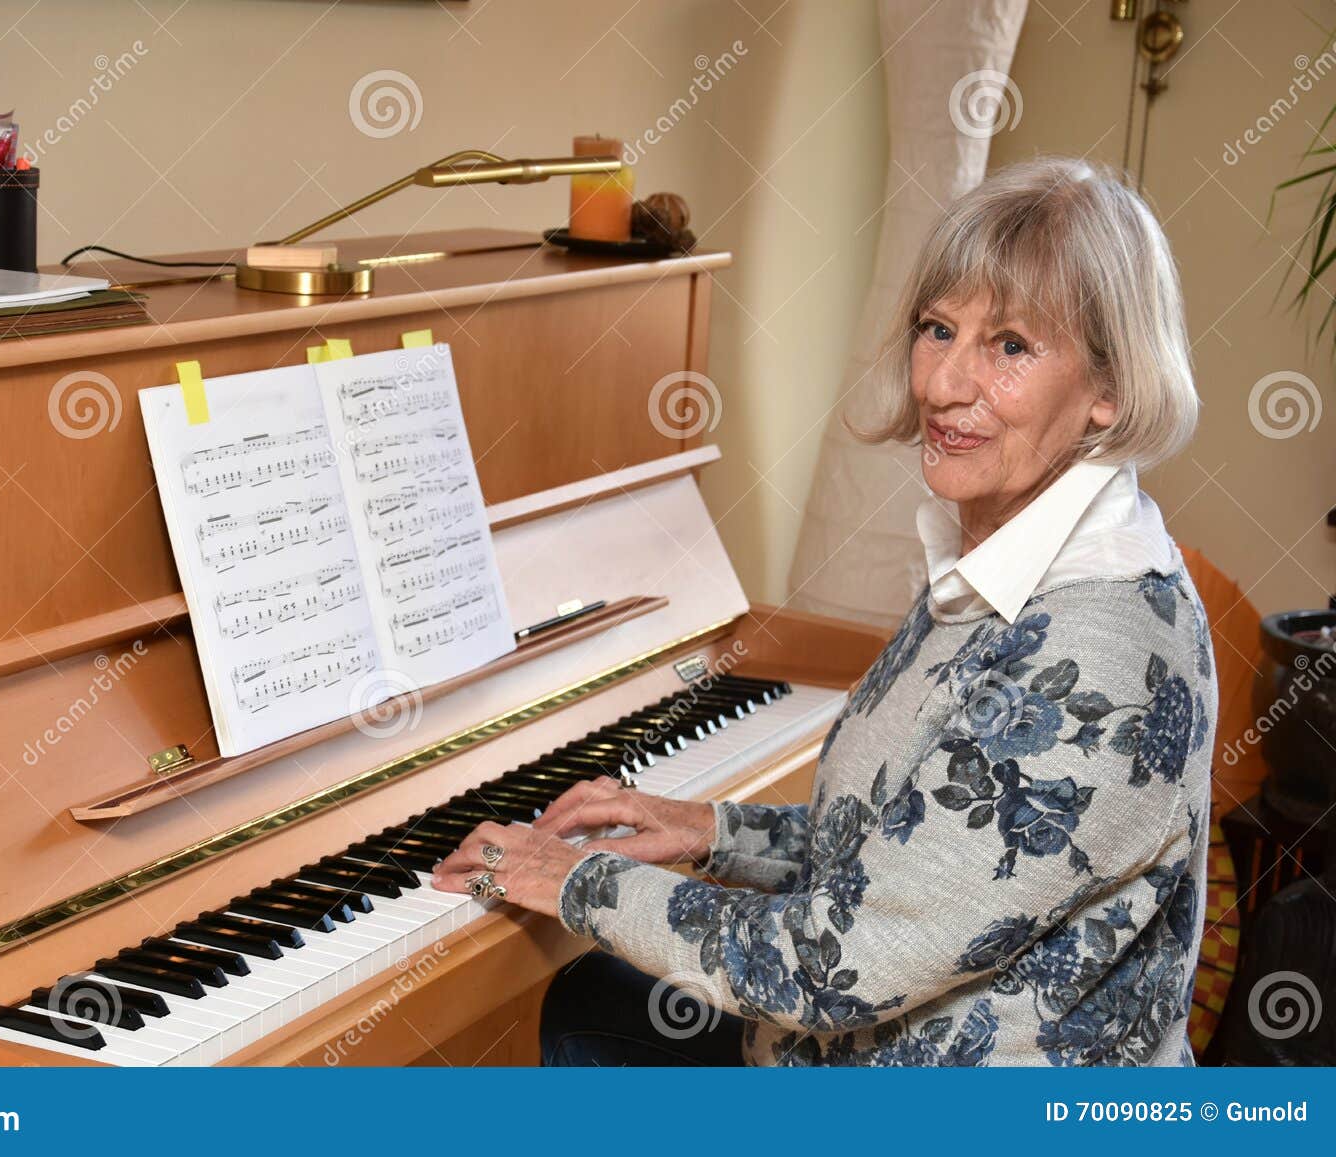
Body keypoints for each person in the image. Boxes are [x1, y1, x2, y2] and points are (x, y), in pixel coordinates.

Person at [433, 156, 1217, 1067]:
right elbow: (911, 849)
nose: (944, 385)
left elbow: (831, 963)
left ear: (1109, 387)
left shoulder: (1099, 651)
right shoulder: (1014, 556)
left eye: (1010, 347)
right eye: (937, 329)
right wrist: (711, 831)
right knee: (590, 1002)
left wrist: (577, 881)